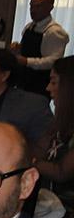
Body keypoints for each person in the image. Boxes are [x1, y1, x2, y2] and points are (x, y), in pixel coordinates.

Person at [35, 56, 74, 206]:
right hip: (50, 205)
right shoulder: (60, 122)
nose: (48, 88)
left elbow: (61, 172)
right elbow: (39, 149)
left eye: (53, 82)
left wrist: (27, 160)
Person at [13, 0, 70, 94]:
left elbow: (54, 61)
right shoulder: (29, 27)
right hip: (23, 80)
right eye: (31, 6)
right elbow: (29, 49)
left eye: (38, 6)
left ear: (50, 7)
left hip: (40, 84)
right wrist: (18, 48)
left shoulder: (55, 31)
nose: (33, 10)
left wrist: (27, 61)